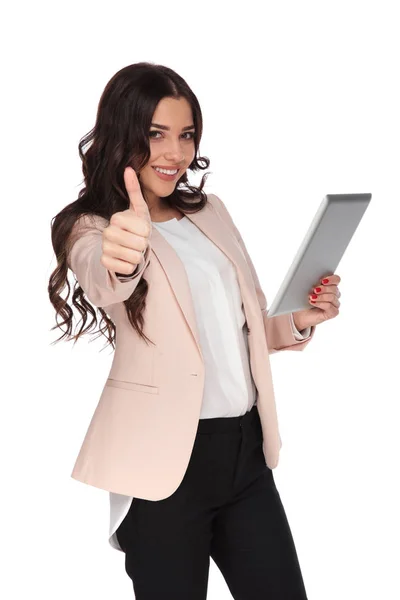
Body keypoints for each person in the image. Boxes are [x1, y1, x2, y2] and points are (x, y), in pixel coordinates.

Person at [48, 62, 340, 599]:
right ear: (122, 132)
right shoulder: (89, 229)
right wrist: (127, 241)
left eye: (186, 135)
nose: (174, 153)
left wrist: (298, 321)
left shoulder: (211, 212)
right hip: (163, 472)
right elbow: (104, 277)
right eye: (155, 134)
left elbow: (241, 326)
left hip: (244, 454)